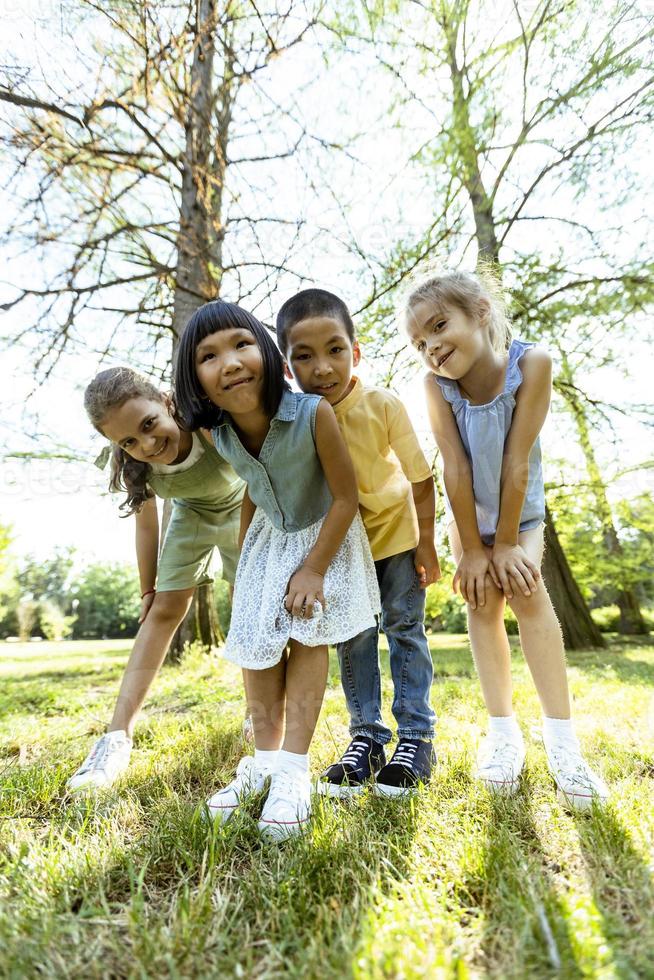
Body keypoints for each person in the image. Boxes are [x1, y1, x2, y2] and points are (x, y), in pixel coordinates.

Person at [401, 266, 608, 810]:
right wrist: (472, 549)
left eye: (440, 326)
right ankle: (503, 736)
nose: (432, 347)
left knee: (525, 592)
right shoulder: (435, 387)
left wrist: (507, 543)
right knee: (481, 603)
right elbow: (455, 469)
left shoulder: (531, 364)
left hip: (523, 519)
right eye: (419, 342)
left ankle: (563, 744)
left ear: (481, 313)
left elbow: (518, 459)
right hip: (469, 518)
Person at [175, 300, 380, 839]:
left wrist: (313, 570)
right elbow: (251, 484)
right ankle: (262, 763)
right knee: (255, 639)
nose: (231, 362)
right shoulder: (215, 433)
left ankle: (293, 770)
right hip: (268, 545)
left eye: (242, 344)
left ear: (268, 352)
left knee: (306, 632)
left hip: (324, 538)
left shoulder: (313, 412)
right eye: (209, 355)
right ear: (195, 378)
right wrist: (246, 557)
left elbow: (345, 498)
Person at [277, 288, 440, 797]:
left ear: (356, 352)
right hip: (344, 550)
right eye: (304, 356)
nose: (322, 367)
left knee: (404, 628)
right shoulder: (297, 417)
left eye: (335, 350)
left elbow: (420, 477)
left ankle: (416, 737)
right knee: (355, 639)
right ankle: (366, 737)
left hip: (396, 536)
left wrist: (428, 544)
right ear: (287, 368)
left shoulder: (382, 403)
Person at [67, 367, 245, 791]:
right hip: (191, 515)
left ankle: (260, 716)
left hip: (245, 507)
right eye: (128, 440)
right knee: (164, 610)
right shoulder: (133, 463)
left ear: (166, 402)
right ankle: (116, 737)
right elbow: (146, 525)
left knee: (251, 603)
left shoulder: (204, 423)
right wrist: (149, 588)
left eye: (149, 425)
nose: (146, 444)